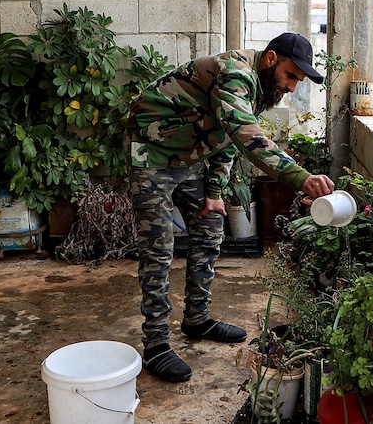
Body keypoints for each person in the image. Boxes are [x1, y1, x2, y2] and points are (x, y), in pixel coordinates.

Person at [127, 32, 336, 382]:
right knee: (158, 249)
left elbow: (225, 138)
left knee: (210, 228)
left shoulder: (259, 87)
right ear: (271, 59)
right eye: (290, 77)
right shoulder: (235, 73)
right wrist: (301, 178)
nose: (290, 88)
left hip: (189, 156)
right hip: (152, 154)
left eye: (297, 82)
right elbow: (245, 133)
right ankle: (156, 345)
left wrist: (213, 190)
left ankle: (196, 318)